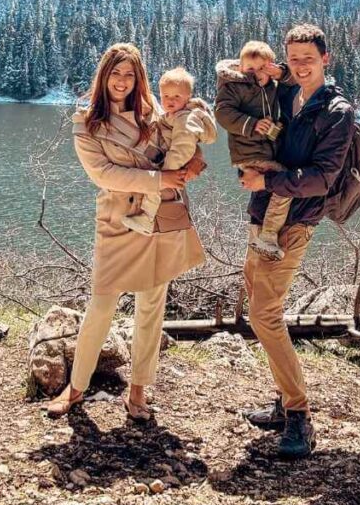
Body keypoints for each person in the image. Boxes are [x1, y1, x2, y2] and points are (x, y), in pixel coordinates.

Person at [45, 43, 206, 421]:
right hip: (118, 220)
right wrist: (160, 177)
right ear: (104, 76)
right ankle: (76, 387)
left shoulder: (153, 112)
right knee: (102, 303)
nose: (122, 81)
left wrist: (194, 162)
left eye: (129, 75)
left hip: (157, 217)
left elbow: (183, 141)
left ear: (139, 79)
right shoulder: (86, 122)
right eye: (116, 73)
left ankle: (138, 391)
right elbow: (104, 175)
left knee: (151, 304)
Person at [238, 24, 354, 458]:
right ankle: (284, 401)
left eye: (310, 58)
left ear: (326, 59)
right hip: (261, 213)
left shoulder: (336, 112)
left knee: (264, 313)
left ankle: (299, 415)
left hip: (296, 221)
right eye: (295, 58)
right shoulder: (285, 93)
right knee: (257, 300)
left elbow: (323, 179)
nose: (302, 66)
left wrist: (267, 178)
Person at [214, 41, 294, 261]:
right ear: (241, 68)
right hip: (249, 152)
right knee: (283, 183)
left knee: (263, 191)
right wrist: (251, 124)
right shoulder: (235, 85)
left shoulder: (272, 87)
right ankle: (267, 235)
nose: (256, 74)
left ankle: (256, 236)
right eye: (250, 69)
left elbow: (294, 80)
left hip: (264, 150)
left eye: (262, 69)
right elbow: (222, 113)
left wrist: (281, 72)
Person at [124, 66, 216, 235]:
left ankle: (146, 218)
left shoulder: (184, 117)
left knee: (155, 189)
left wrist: (168, 169)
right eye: (165, 96)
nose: (169, 100)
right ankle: (147, 218)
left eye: (176, 96)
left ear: (188, 97)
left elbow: (184, 146)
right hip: (167, 163)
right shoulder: (173, 114)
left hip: (172, 165)